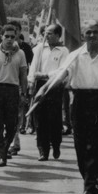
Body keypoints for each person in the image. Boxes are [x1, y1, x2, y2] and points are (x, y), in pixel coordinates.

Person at [36, 19, 98, 194]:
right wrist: (44, 89)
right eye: (88, 32)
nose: (92, 36)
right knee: (81, 147)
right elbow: (62, 74)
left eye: (95, 32)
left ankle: (90, 186)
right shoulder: (75, 55)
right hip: (80, 102)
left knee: (96, 147)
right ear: (83, 35)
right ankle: (91, 181)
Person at [0, 24, 28, 166]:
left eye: (12, 36)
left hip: (12, 91)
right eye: (7, 36)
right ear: (1, 36)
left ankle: (4, 149)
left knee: (12, 125)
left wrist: (24, 93)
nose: (10, 39)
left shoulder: (20, 53)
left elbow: (23, 74)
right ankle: (1, 156)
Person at [27, 24, 68, 160]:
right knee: (40, 119)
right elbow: (33, 67)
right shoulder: (39, 48)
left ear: (57, 35)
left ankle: (56, 144)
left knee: (54, 119)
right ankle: (43, 150)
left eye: (50, 33)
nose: (47, 36)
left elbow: (62, 70)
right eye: (45, 33)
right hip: (39, 84)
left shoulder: (64, 51)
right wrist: (32, 81)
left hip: (55, 86)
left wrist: (45, 75)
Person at [9, 19, 34, 149]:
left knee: (18, 113)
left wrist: (27, 85)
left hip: (19, 84)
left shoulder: (26, 48)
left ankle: (15, 137)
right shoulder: (0, 47)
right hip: (6, 84)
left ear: (19, 32)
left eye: (16, 30)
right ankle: (11, 138)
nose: (13, 33)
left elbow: (30, 66)